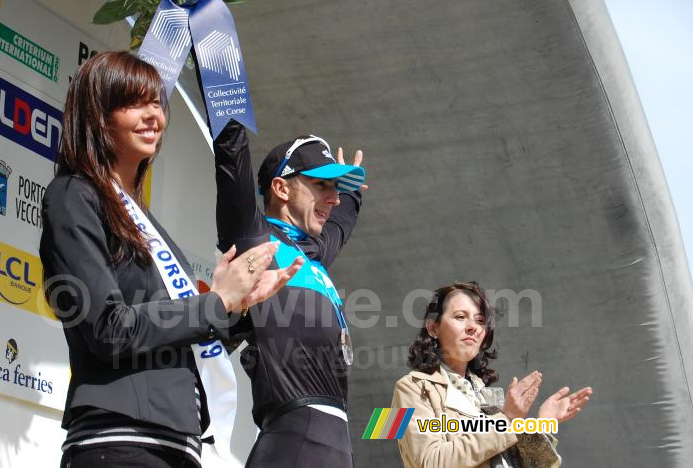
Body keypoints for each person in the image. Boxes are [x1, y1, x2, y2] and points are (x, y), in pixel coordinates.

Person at [40, 51, 302, 468]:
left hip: (178, 443)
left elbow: (180, 336)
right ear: (96, 114)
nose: (153, 116)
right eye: (133, 103)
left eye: (158, 103)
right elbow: (110, 329)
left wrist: (238, 308)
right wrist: (215, 303)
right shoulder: (73, 195)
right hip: (120, 441)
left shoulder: (143, 220)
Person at [212, 120, 368, 467]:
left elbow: (341, 222)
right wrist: (223, 92)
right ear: (280, 188)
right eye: (321, 185)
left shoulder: (311, 252)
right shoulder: (256, 241)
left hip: (336, 445)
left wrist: (353, 192)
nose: (334, 197)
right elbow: (231, 161)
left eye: (337, 187)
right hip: (294, 442)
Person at [392, 281, 593, 468]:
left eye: (480, 320)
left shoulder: (483, 393)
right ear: (433, 327)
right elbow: (429, 461)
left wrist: (542, 423)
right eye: (460, 317)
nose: (472, 327)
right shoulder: (410, 387)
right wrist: (506, 419)